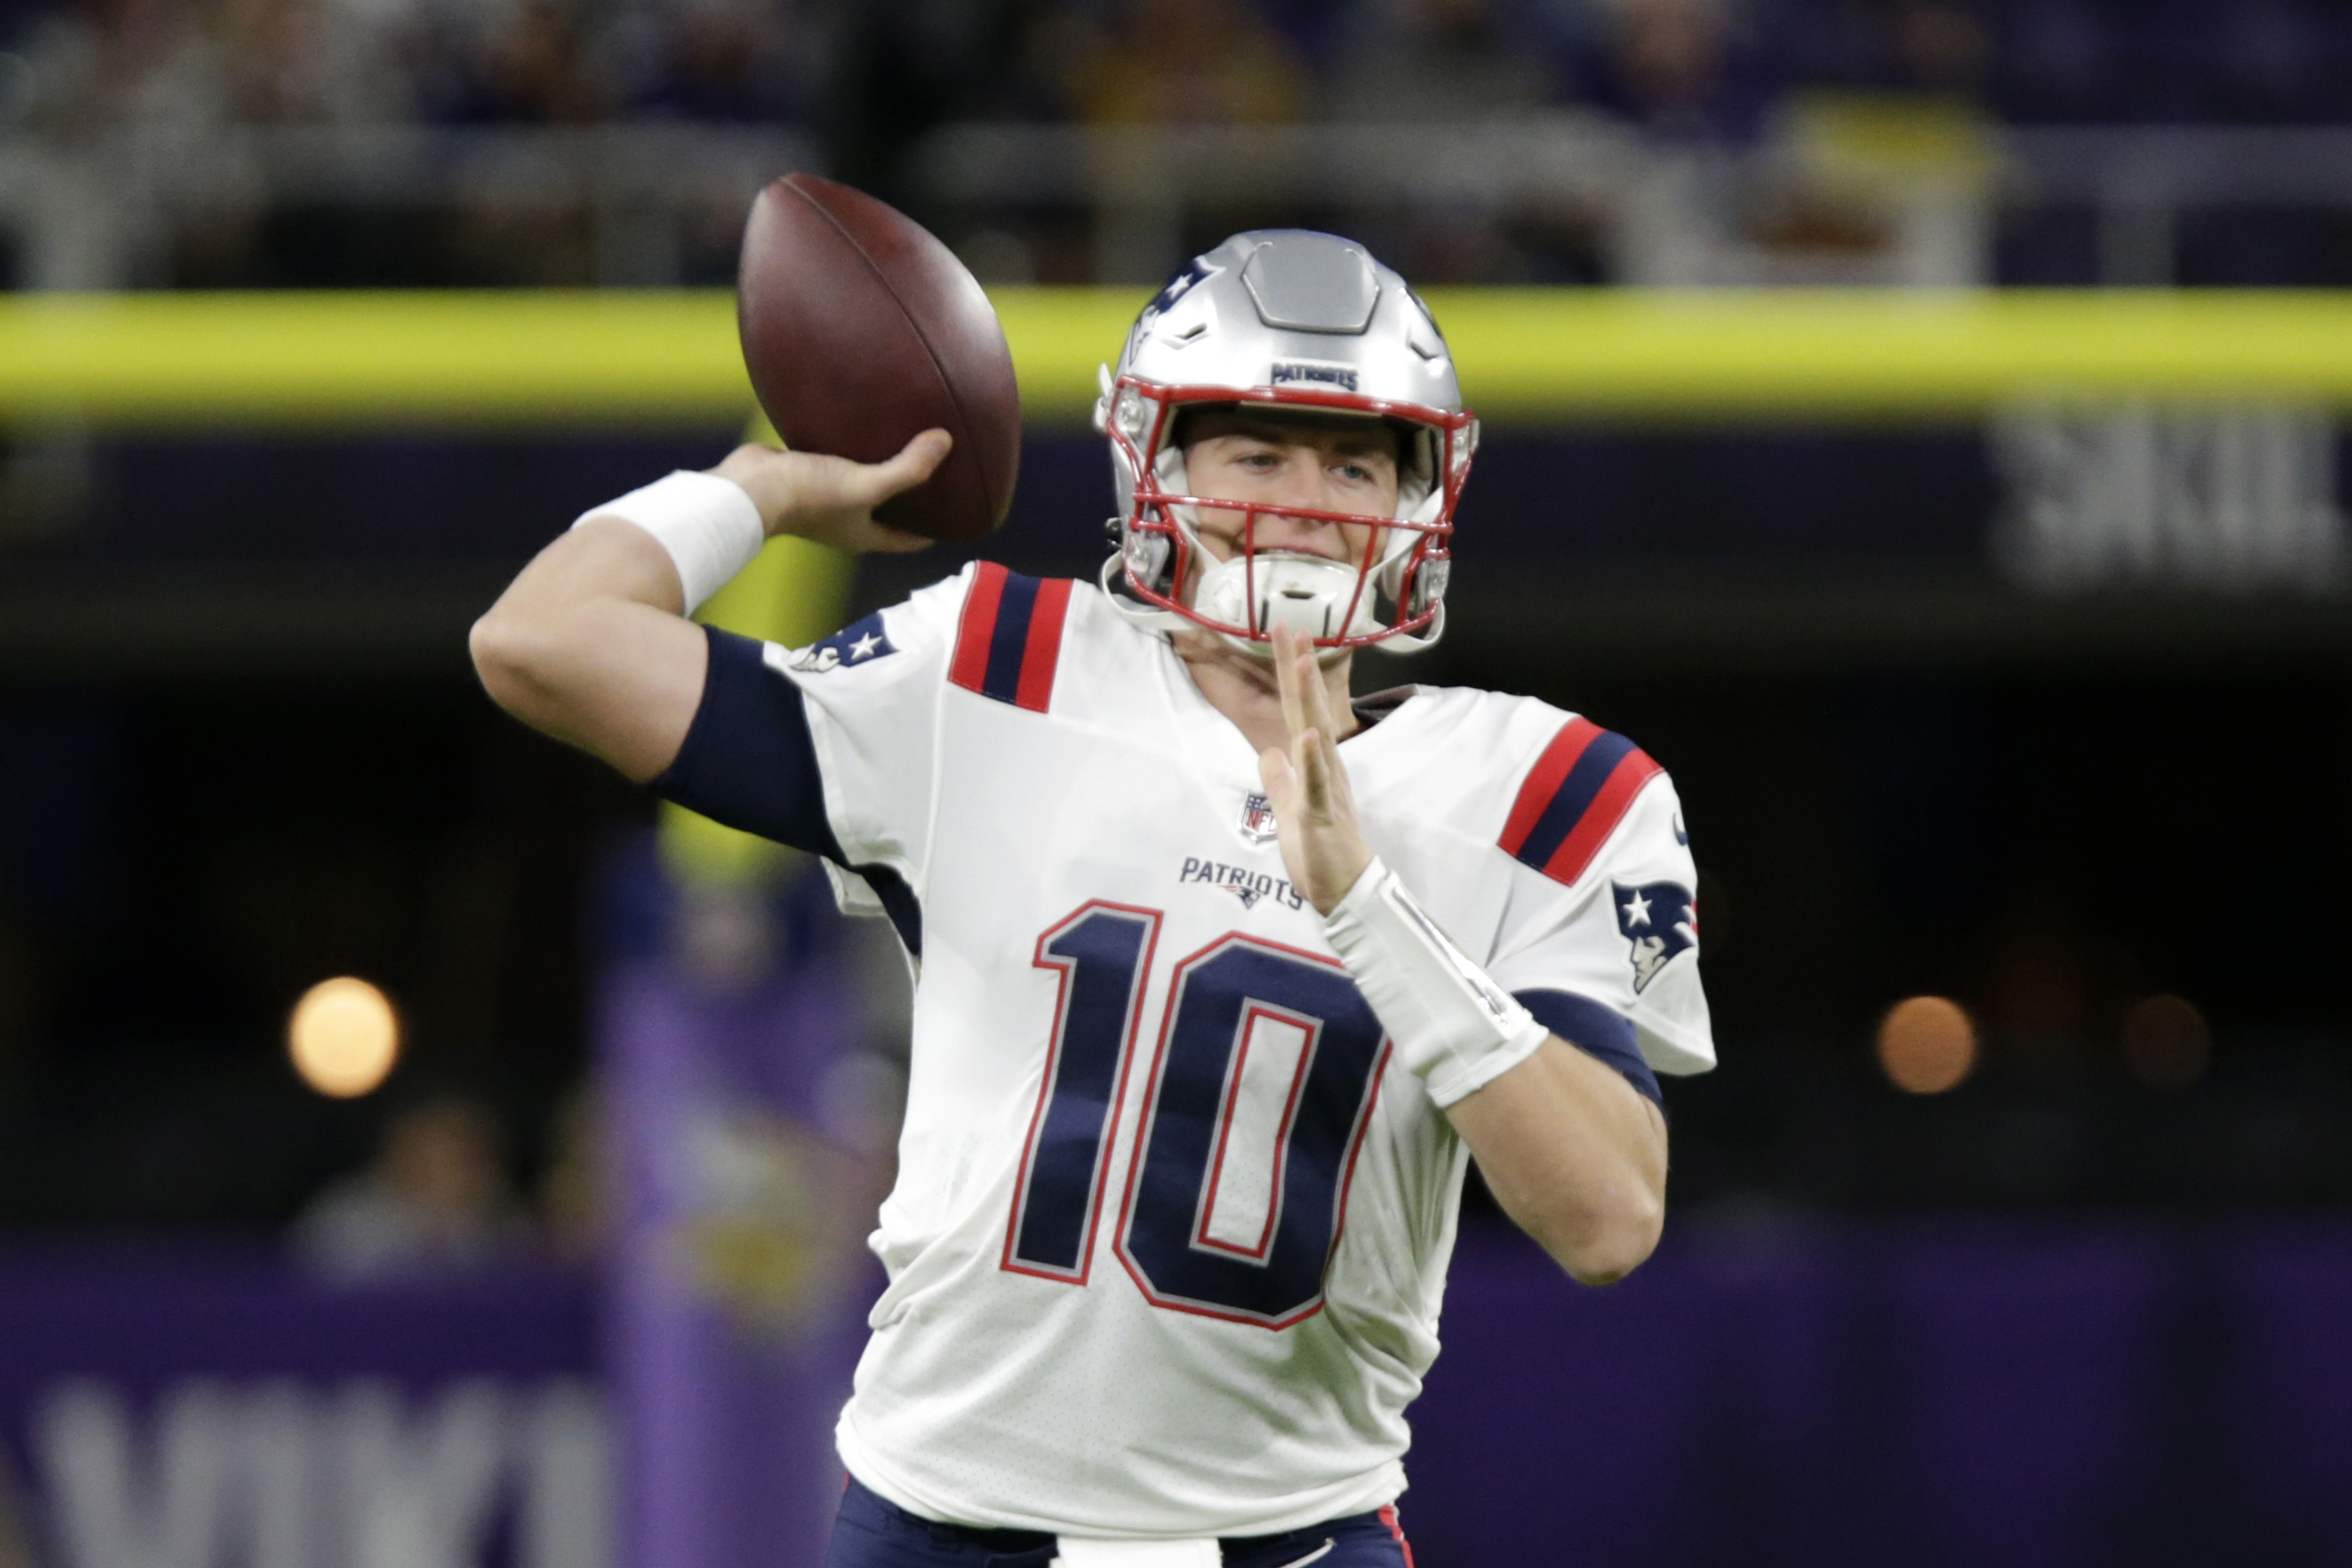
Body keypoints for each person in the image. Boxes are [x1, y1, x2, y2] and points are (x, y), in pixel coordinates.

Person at [472, 229, 1712, 1566]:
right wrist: (753, 489)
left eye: (1354, 461)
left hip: (1286, 1538)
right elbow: (541, 643)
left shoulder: (1545, 790)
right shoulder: (998, 667)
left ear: (1422, 498)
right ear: (1157, 464)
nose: (1306, 499)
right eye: (1256, 451)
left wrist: (1369, 912)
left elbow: (1606, 1219)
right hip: (936, 1526)